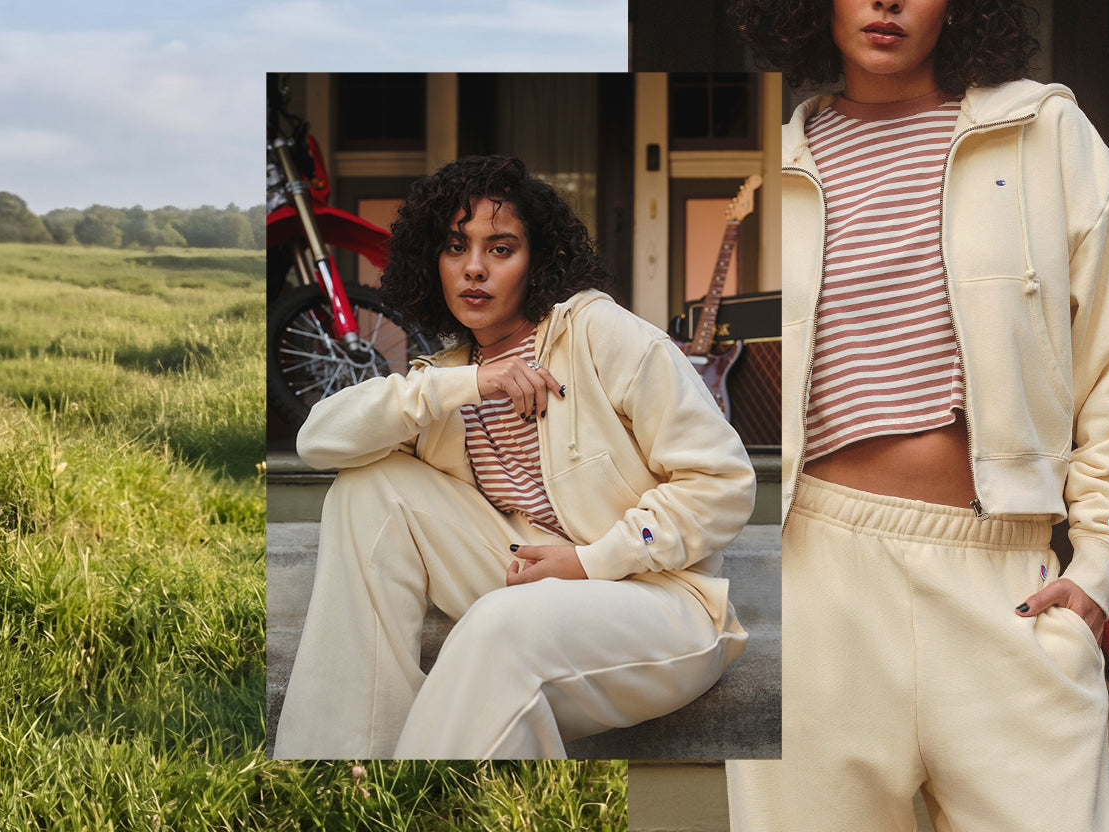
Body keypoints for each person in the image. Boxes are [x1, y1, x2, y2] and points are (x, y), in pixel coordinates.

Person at [725, 0, 1109, 828]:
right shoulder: (774, 167)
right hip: (815, 583)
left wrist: (1100, 566)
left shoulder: (1046, 135)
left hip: (1002, 580)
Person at [273, 155, 754, 759]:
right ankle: (345, 769)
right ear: (433, 261)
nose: (474, 268)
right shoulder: (448, 380)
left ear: (538, 262)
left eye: (501, 249)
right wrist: (471, 384)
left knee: (498, 629)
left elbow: (724, 482)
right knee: (366, 488)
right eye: (455, 247)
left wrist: (590, 560)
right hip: (522, 578)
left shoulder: (600, 334)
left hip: (659, 601)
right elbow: (317, 441)